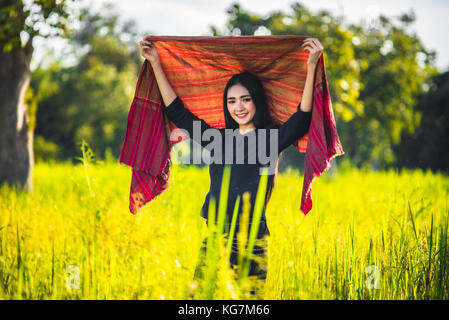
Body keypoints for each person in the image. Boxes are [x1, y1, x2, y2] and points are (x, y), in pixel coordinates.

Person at [139, 37, 323, 280]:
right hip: (216, 236)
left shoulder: (269, 138)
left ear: (256, 100)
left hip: (252, 241)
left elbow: (302, 118)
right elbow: (177, 112)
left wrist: (311, 66)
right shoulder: (217, 138)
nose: (239, 107)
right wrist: (156, 64)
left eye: (245, 99)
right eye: (232, 101)